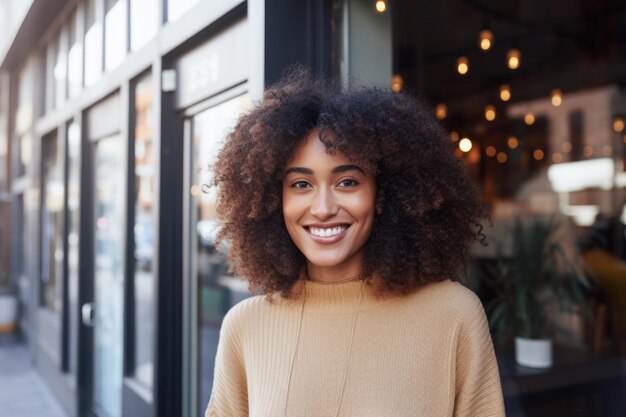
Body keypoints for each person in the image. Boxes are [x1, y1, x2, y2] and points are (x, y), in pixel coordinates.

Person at [206, 70, 505, 417]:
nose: (323, 209)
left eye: (347, 182)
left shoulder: (453, 315)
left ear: (385, 193)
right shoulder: (245, 327)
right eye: (301, 184)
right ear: (275, 199)